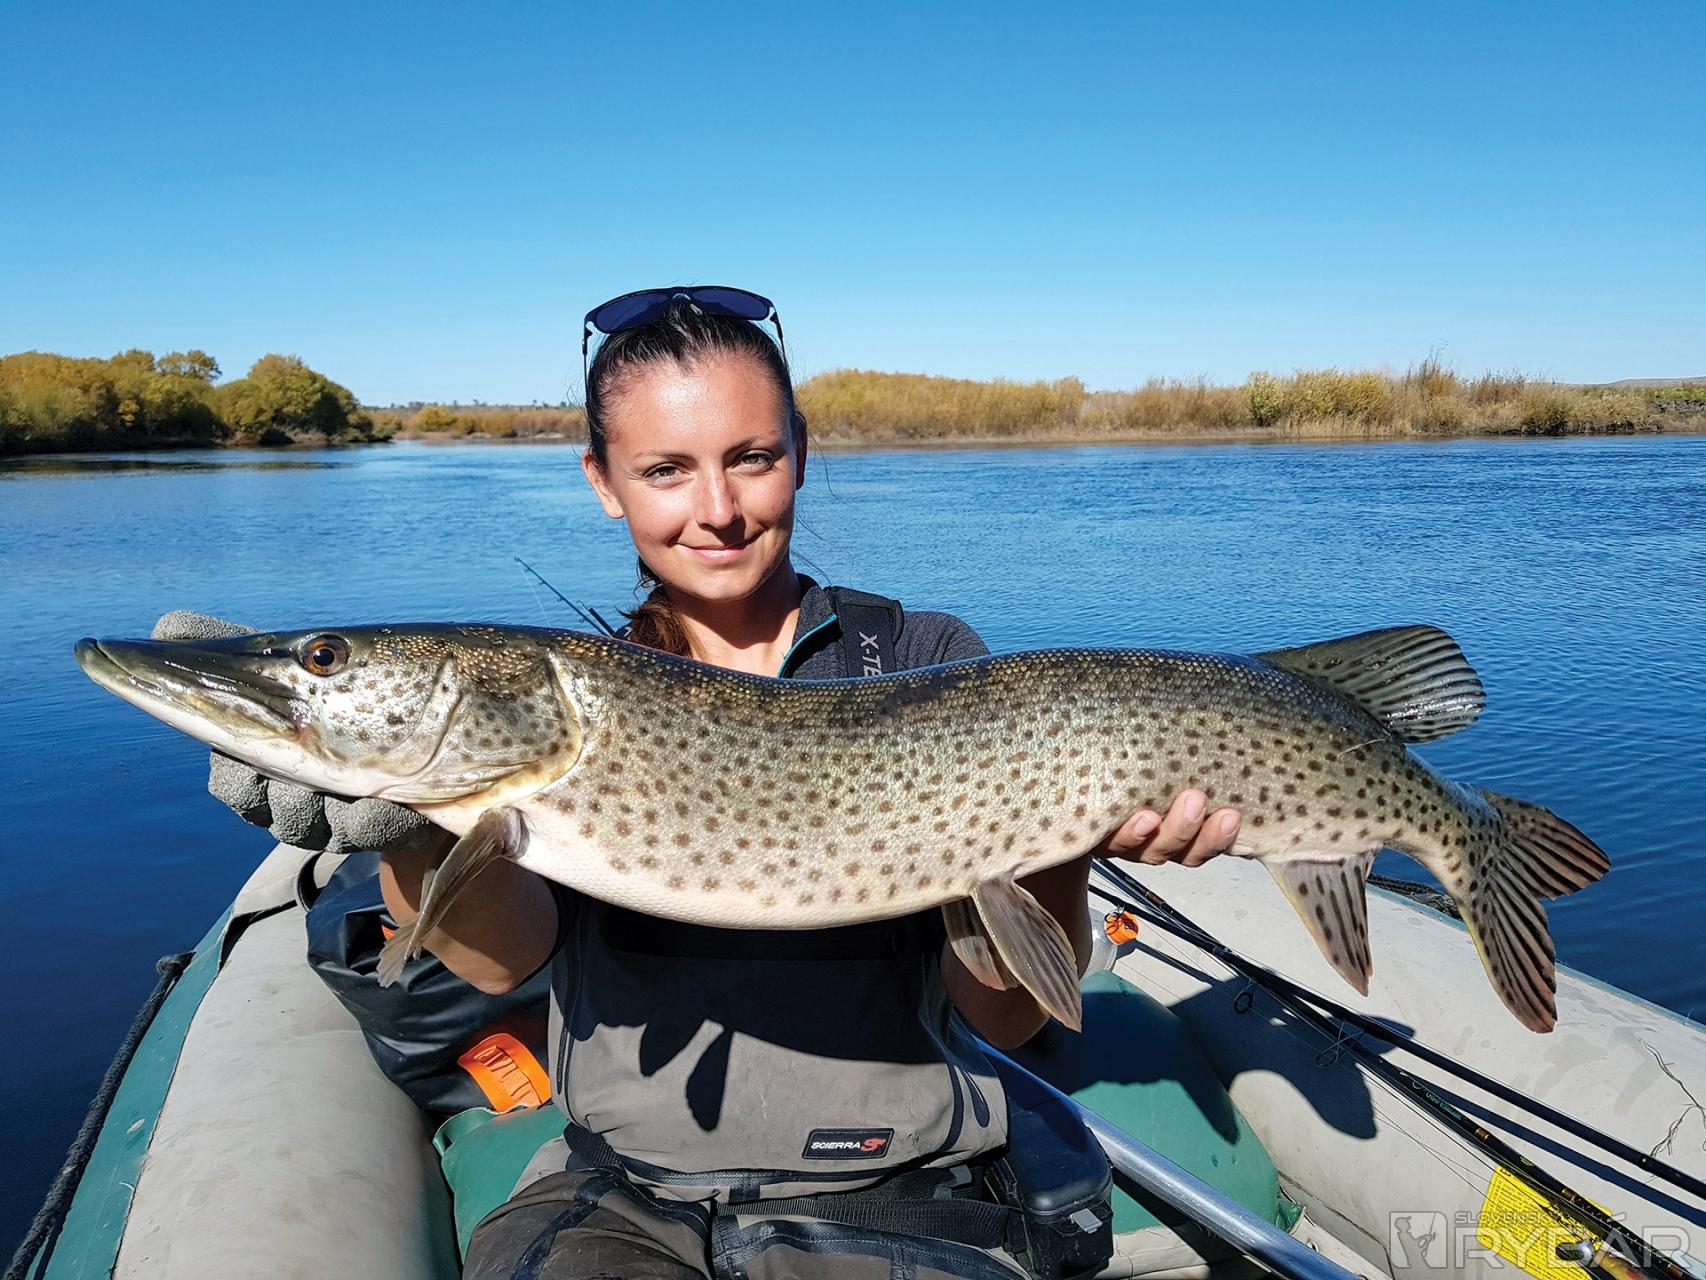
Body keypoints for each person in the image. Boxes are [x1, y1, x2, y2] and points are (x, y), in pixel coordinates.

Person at [170, 287, 1241, 1279]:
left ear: (800, 453)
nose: (717, 508)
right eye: (665, 470)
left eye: (752, 457)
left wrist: (1059, 836)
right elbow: (502, 961)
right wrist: (408, 832)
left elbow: (1001, 1021)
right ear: (603, 481)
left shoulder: (923, 657)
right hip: (627, 1192)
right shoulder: (572, 696)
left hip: (905, 1190)